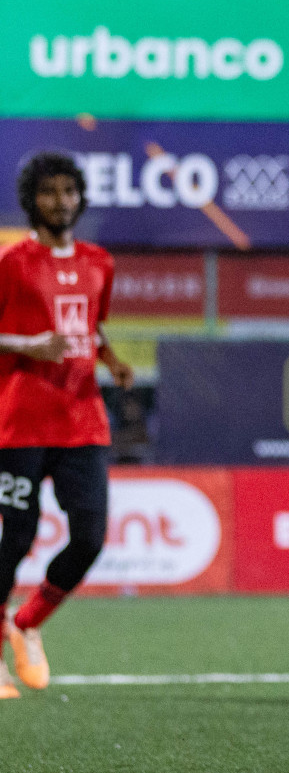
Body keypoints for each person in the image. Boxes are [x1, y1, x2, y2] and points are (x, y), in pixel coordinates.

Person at [0, 152, 133, 699]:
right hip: (22, 420)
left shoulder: (100, 261)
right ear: (33, 200)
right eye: (50, 192)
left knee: (90, 537)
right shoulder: (12, 265)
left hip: (83, 419)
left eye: (70, 191)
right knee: (16, 539)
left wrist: (111, 360)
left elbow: (92, 327)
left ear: (81, 197)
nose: (62, 201)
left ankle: (26, 623)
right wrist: (30, 345)